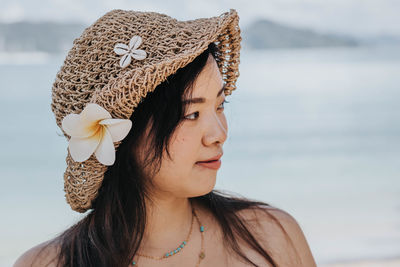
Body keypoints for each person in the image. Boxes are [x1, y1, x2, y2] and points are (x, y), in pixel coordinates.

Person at [13, 8, 316, 267]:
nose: (219, 135)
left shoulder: (272, 238)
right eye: (191, 114)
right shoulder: (47, 263)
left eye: (220, 106)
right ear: (123, 132)